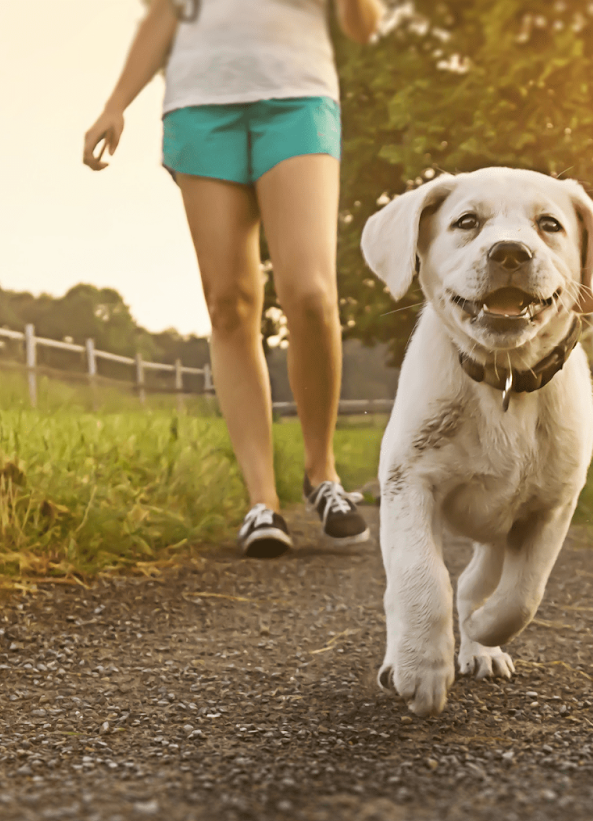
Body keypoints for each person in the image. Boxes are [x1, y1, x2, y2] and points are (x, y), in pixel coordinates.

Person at [83, 0, 384, 558]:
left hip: (298, 99)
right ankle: (261, 502)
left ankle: (322, 475)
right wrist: (116, 104)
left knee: (311, 294)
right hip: (198, 109)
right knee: (230, 303)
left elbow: (363, 27)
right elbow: (163, 16)